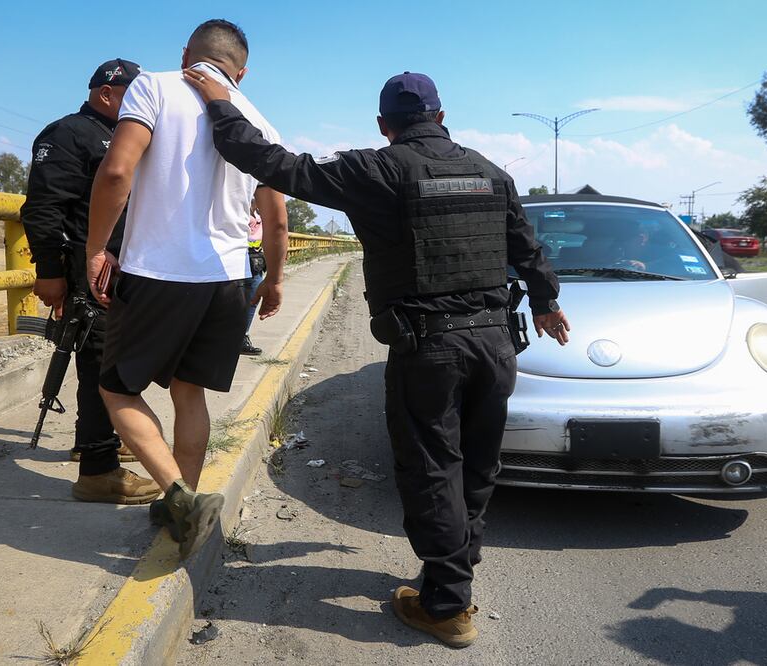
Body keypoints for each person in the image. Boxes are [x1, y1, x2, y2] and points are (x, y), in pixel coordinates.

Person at [184, 70, 569, 646]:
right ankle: (452, 572)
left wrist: (220, 103)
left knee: (432, 467)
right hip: (496, 344)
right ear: (441, 117)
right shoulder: (492, 172)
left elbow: (275, 165)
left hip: (430, 348)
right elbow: (527, 247)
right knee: (476, 465)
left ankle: (446, 605)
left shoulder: (376, 169)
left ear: (384, 125)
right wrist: (546, 302)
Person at [86, 20, 287, 559]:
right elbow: (275, 218)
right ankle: (184, 512)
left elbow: (116, 173)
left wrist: (96, 248)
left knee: (116, 389)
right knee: (188, 390)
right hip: (228, 278)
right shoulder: (260, 121)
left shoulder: (154, 86)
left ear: (185, 55)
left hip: (159, 271)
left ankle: (180, 496)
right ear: (242, 72)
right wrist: (273, 279)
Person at [20, 58, 160, 504]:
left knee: (110, 358)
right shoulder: (70, 133)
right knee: (101, 360)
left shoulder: (122, 136)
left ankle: (94, 440)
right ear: (106, 93)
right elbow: (43, 207)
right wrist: (50, 273)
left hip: (120, 268)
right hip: (88, 268)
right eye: (134, 96)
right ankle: (99, 470)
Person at [241, 202, 265, 355]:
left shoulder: (260, 214)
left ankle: (242, 337)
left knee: (253, 300)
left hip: (255, 260)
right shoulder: (240, 209)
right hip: (238, 258)